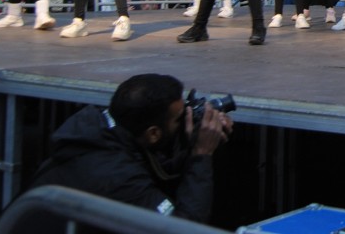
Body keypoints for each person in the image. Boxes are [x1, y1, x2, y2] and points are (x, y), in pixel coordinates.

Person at [25, 73, 232, 223]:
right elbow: (182, 228)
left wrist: (197, 144)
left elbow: (155, 172)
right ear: (153, 133)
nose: (187, 117)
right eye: (180, 119)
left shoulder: (102, 132)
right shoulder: (115, 175)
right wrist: (201, 154)